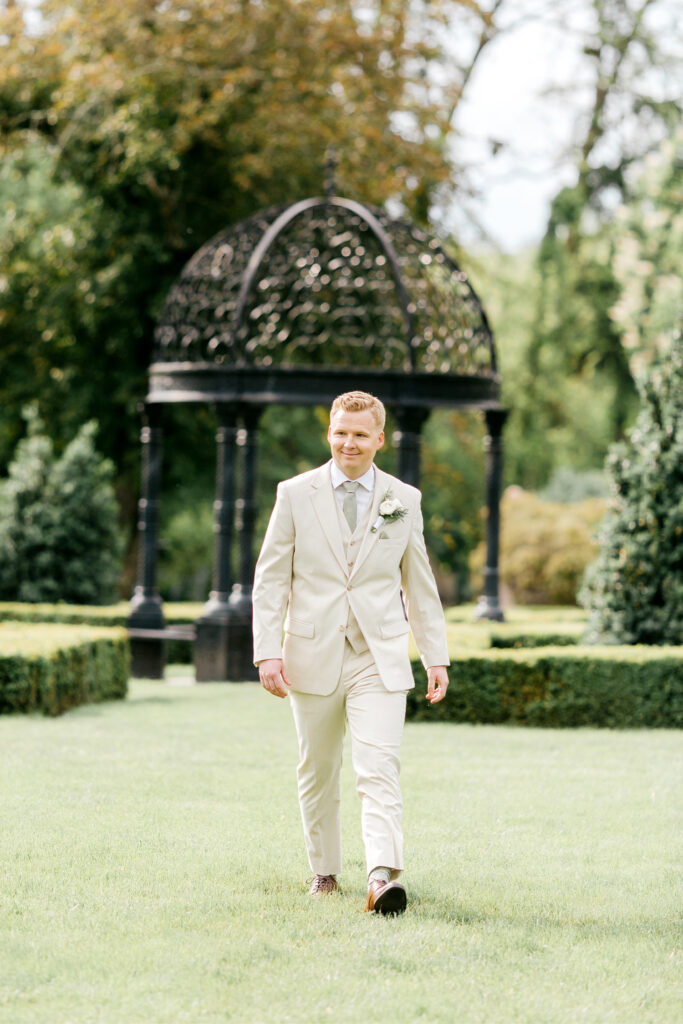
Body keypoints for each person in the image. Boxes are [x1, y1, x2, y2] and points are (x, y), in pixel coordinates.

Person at [252, 390, 449, 915]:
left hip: (378, 656)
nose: (349, 443)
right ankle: (324, 872)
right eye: (341, 432)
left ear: (380, 439)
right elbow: (271, 579)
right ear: (330, 433)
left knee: (379, 765)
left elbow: (420, 584)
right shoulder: (295, 494)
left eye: (361, 434)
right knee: (317, 769)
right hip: (310, 653)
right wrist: (266, 651)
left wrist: (436, 656)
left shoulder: (404, 499)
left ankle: (381, 877)